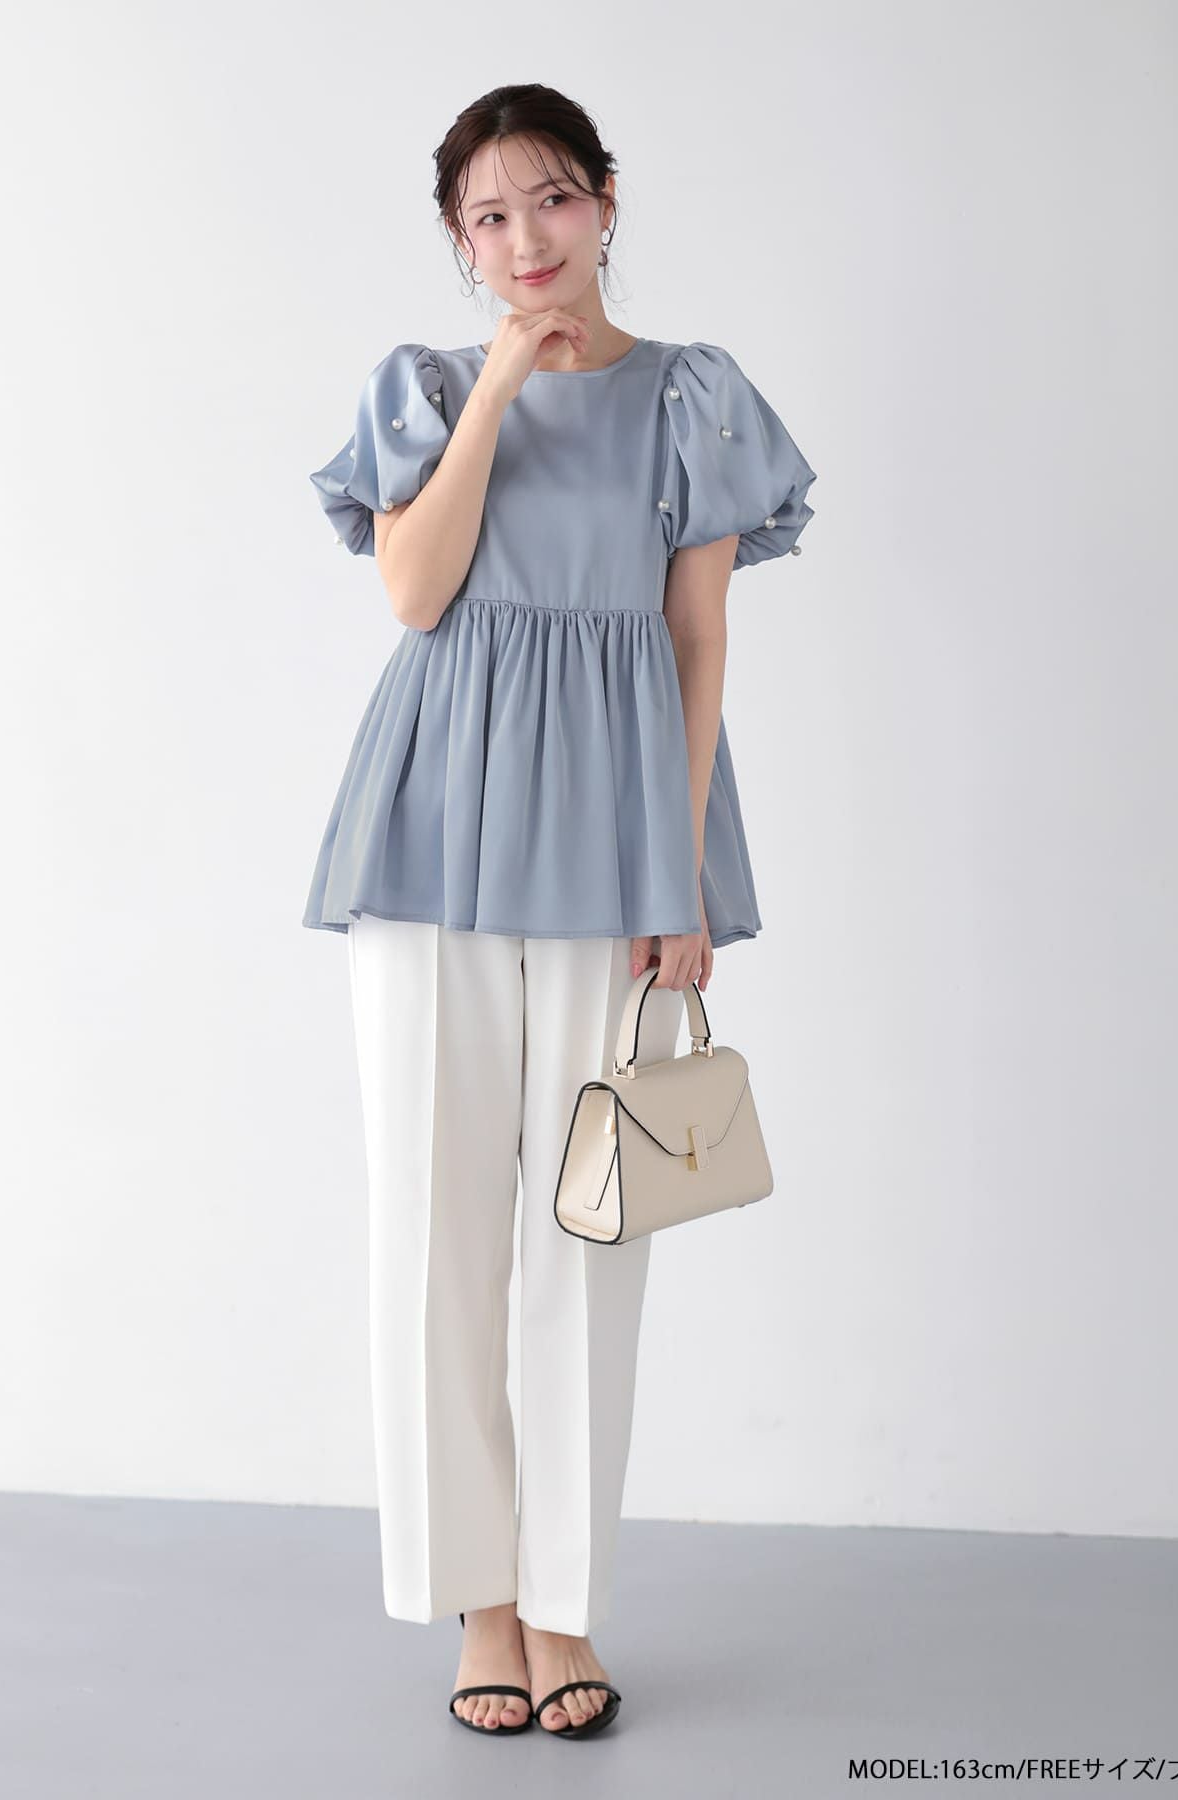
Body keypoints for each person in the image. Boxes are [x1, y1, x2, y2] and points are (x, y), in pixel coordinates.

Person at [302, 84, 817, 1739]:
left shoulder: (692, 399)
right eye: (488, 218)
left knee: (587, 1242)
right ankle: (483, 1606)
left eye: (549, 200)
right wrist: (501, 390)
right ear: (461, 246)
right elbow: (413, 591)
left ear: (603, 200)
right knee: (435, 1231)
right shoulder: (428, 389)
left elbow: (697, 642)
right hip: (431, 838)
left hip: (613, 840)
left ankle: (567, 1608)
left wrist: (683, 877)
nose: (524, 238)